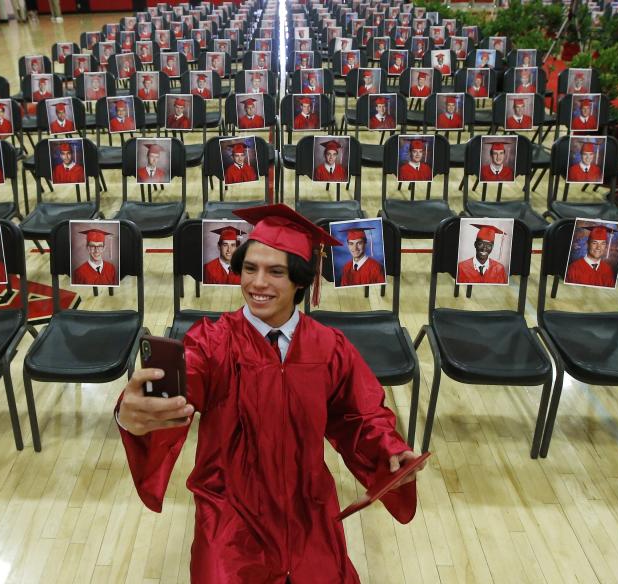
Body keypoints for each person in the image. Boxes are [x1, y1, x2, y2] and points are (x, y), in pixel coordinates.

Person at [115, 203, 423, 581]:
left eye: (275, 272)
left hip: (306, 506)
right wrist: (135, 413)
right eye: (249, 268)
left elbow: (361, 415)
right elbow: (180, 382)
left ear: (300, 281)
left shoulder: (329, 346)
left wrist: (390, 452)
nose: (258, 284)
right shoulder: (212, 342)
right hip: (230, 512)